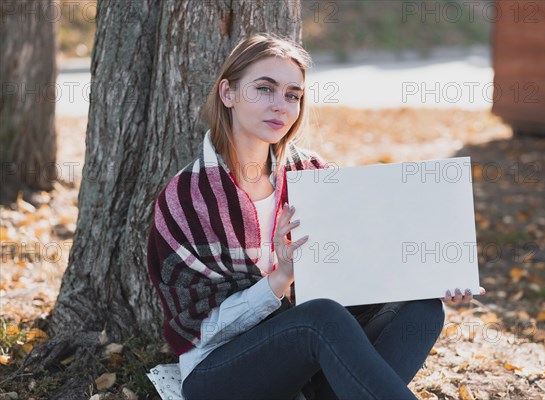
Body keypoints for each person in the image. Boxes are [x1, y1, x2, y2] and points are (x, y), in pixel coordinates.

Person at [146, 33, 486, 400]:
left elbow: (362, 269)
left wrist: (432, 279)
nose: (281, 105)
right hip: (220, 372)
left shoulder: (311, 175)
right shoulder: (189, 197)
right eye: (264, 89)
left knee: (422, 311)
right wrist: (282, 277)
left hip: (306, 363)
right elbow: (202, 329)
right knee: (320, 317)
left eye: (292, 94)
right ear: (227, 93)